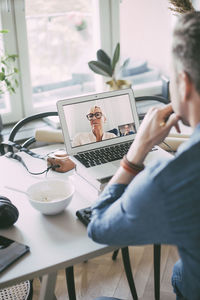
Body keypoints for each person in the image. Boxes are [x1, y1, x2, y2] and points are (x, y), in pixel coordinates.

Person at [88, 11, 200, 300]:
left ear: (184, 85)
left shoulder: (173, 180)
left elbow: (99, 227)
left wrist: (135, 153)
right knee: (179, 272)